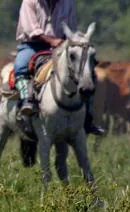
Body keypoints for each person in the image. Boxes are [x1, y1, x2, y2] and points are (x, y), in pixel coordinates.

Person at [14, 0, 104, 135]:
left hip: (62, 44)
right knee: (20, 67)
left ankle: (88, 116)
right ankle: (26, 103)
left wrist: (75, 40)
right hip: (32, 45)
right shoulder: (30, 2)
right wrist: (51, 41)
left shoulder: (68, 3)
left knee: (86, 71)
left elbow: (71, 28)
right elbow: (31, 29)